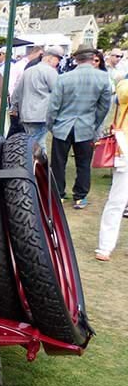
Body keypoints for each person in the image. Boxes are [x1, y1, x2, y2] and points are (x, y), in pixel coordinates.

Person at [47, 46, 112, 209]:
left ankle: (59, 194)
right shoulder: (103, 78)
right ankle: (80, 196)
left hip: (62, 126)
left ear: (76, 59)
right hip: (86, 126)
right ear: (93, 58)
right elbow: (104, 107)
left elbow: (53, 106)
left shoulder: (64, 78)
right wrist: (94, 123)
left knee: (58, 163)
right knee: (83, 163)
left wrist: (52, 124)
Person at [95, 79, 128, 261]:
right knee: (118, 199)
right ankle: (105, 246)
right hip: (125, 150)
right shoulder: (125, 85)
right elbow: (123, 93)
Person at [11, 46, 63, 155]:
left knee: (32, 142)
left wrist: (14, 107)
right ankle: (38, 169)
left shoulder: (28, 71)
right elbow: (58, 93)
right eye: (58, 59)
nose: (58, 63)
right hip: (41, 115)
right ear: (50, 58)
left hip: (25, 114)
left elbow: (17, 92)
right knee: (38, 144)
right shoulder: (50, 72)